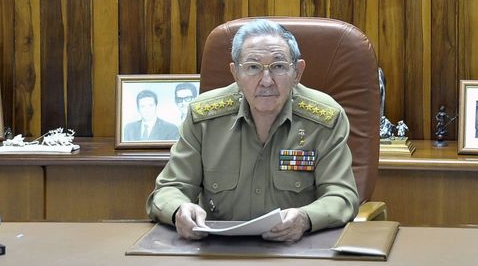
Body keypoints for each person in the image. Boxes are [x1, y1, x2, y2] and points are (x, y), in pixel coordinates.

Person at [146, 19, 359, 242]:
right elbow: (168, 190)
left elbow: (342, 195)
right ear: (236, 74)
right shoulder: (203, 118)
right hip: (218, 250)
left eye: (278, 66)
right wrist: (179, 209)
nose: (266, 81)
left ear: (297, 72)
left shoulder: (325, 119)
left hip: (295, 249)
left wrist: (306, 218)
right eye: (253, 67)